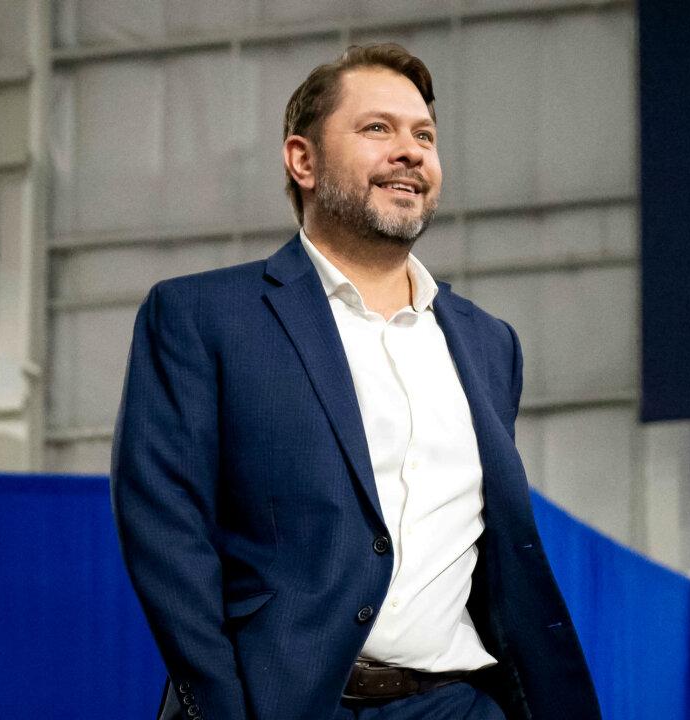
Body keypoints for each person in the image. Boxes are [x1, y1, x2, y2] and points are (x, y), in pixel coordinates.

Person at [111, 43, 601, 720]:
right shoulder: (201, 316)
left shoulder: (491, 343)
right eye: (378, 128)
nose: (410, 151)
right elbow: (165, 529)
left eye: (424, 135)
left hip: (461, 705)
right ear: (303, 161)